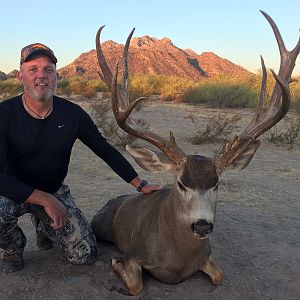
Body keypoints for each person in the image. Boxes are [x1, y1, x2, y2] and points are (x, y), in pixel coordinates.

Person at [0, 43, 160, 273]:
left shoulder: (73, 114)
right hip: (13, 192)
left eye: (48, 69)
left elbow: (104, 149)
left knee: (84, 254)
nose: (41, 76)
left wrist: (139, 184)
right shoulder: (4, 114)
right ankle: (13, 250)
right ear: (20, 75)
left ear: (56, 76)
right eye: (33, 69)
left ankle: (44, 227)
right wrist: (45, 200)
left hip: (54, 190)